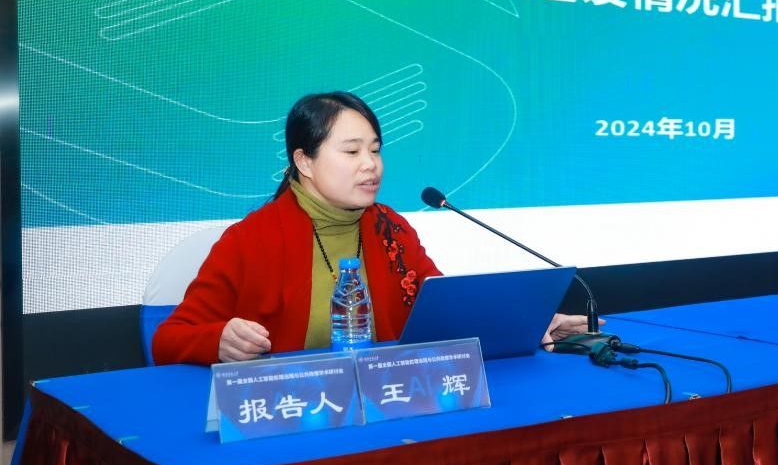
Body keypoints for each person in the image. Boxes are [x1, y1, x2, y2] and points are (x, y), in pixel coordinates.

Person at [153, 91, 587, 365]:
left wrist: (526, 321)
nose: (371, 165)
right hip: (294, 418)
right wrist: (218, 340)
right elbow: (168, 339)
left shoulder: (390, 228)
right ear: (304, 161)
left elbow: (442, 312)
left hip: (389, 404)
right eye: (352, 152)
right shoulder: (251, 239)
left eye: (375, 150)